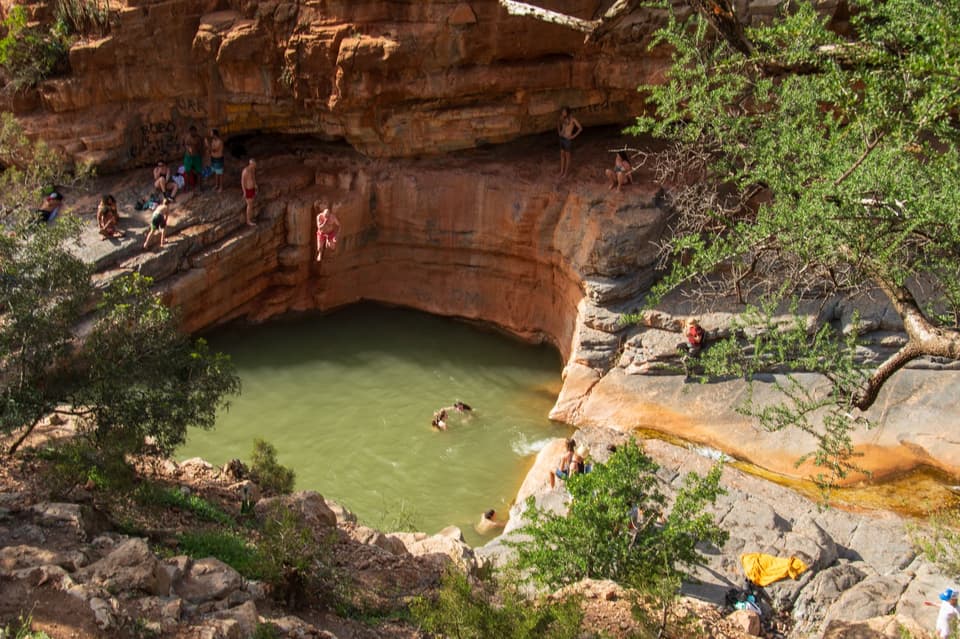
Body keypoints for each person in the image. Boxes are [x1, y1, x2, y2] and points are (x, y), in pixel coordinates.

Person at [557, 106, 583, 179]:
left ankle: (566, 173)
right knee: (562, 156)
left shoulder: (573, 119)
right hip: (562, 138)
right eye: (562, 112)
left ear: (567, 112)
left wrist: (573, 136)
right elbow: (558, 123)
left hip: (567, 140)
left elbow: (580, 128)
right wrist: (559, 132)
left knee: (567, 157)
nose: (563, 113)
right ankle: (561, 172)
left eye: (564, 112)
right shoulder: (562, 118)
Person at [182, 125, 204, 191]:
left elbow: (200, 147)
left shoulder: (198, 138)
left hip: (196, 156)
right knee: (187, 172)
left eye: (195, 131)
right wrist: (188, 148)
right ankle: (187, 186)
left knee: (199, 172)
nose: (194, 133)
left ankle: (200, 187)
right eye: (192, 132)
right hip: (188, 157)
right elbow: (184, 145)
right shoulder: (186, 137)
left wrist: (200, 154)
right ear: (190, 132)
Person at [206, 128, 225, 192]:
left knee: (220, 173)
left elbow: (214, 150)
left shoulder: (219, 141)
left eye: (211, 133)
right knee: (216, 173)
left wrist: (207, 144)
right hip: (213, 158)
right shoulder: (213, 140)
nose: (210, 134)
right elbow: (211, 150)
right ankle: (217, 185)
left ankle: (221, 187)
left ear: (214, 134)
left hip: (218, 159)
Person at [241, 158, 257, 226]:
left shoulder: (252, 169)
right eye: (255, 164)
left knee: (252, 204)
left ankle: (251, 218)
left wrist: (255, 184)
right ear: (251, 164)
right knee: (249, 205)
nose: (255, 166)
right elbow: (242, 182)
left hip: (252, 189)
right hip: (248, 190)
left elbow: (253, 177)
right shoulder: (246, 171)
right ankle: (248, 221)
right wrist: (244, 192)